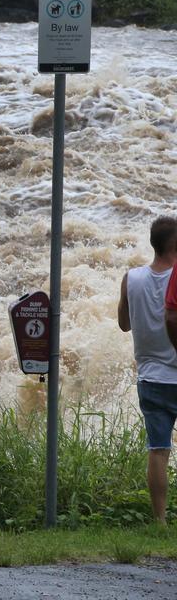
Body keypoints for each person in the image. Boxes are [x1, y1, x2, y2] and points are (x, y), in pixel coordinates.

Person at [123, 216, 177, 523]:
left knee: (158, 451)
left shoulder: (131, 278)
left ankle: (160, 521)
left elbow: (124, 323)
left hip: (150, 377)